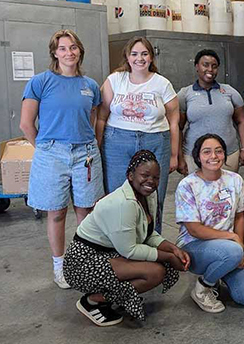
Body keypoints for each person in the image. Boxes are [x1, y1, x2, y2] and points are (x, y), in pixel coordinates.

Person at [63, 150, 190, 326]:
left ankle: (111, 296)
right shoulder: (124, 203)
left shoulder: (147, 195)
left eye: (155, 177)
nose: (151, 182)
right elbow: (129, 250)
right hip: (83, 263)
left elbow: (147, 233)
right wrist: (168, 256)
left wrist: (172, 248)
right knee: (155, 272)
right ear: (130, 175)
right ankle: (92, 301)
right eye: (145, 175)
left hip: (108, 253)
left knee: (158, 264)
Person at [19, 29, 104, 289]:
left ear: (80, 51)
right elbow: (26, 124)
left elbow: (92, 119)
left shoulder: (89, 86)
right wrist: (46, 148)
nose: (69, 52)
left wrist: (92, 145)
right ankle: (60, 265)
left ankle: (83, 261)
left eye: (73, 47)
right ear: (55, 53)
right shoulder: (41, 82)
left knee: (86, 211)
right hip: (52, 153)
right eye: (63, 48)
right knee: (56, 213)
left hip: (85, 153)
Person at [96, 36, 180, 233]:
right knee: (117, 197)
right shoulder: (114, 80)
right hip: (117, 142)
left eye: (144, 54)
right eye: (134, 54)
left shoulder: (162, 84)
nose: (139, 58)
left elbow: (174, 121)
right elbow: (101, 117)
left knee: (152, 198)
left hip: (155, 141)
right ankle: (119, 244)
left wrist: (174, 155)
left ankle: (152, 242)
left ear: (151, 57)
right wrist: (98, 147)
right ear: (127, 56)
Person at [175, 134, 244, 313]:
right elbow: (194, 230)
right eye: (207, 152)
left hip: (229, 248)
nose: (213, 156)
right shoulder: (187, 185)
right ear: (198, 157)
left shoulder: (234, 179)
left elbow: (239, 217)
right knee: (233, 251)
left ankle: (221, 270)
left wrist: (240, 248)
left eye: (218, 151)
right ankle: (203, 287)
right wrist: (232, 238)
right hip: (194, 247)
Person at [178, 49, 244, 174]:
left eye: (214, 66)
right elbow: (178, 128)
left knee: (226, 191)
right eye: (205, 65)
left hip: (228, 155)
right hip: (194, 157)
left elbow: (241, 121)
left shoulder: (230, 92)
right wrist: (179, 157)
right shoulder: (185, 94)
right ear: (197, 66)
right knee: (198, 191)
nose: (210, 69)